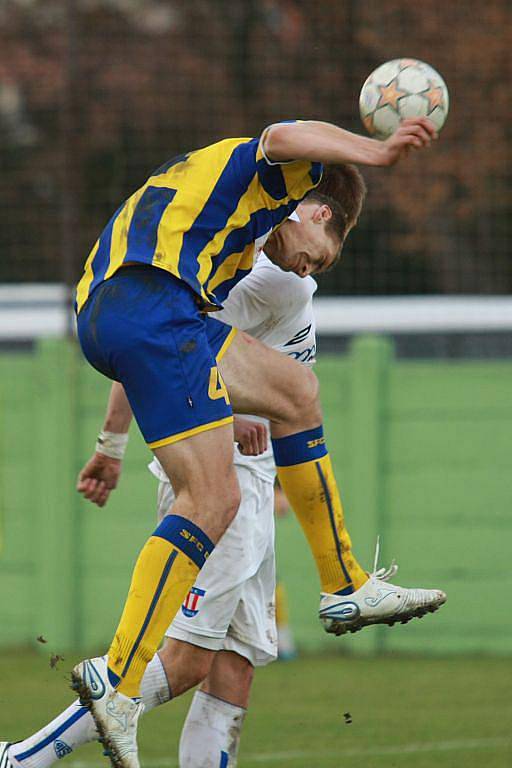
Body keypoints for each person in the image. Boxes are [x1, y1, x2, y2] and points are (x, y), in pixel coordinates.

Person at [54, 118, 439, 767]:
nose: (304, 268)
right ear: (312, 211)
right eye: (314, 253)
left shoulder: (230, 247)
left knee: (295, 398)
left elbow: (168, 342)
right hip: (151, 306)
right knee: (211, 500)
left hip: (114, 311)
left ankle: (344, 581)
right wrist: (376, 152)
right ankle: (119, 683)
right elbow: (284, 134)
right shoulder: (280, 180)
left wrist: (111, 446)